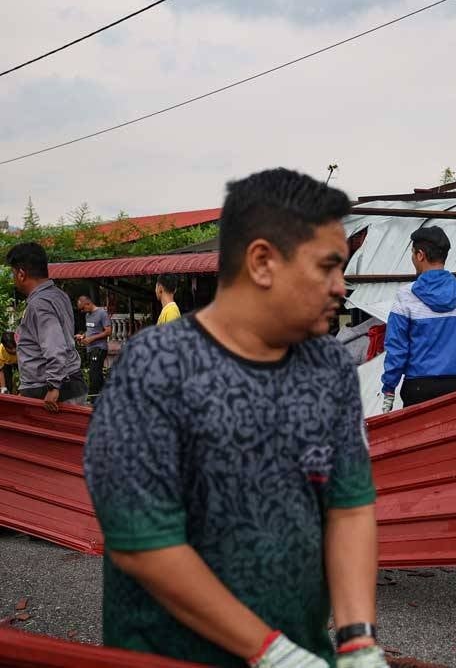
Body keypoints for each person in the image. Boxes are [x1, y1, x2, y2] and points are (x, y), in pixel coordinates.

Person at [83, 169, 387, 668]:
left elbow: (348, 507)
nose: (343, 285)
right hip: (171, 655)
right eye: (329, 267)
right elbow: (144, 544)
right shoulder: (154, 368)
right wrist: (269, 652)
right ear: (263, 261)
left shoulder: (330, 367)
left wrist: (357, 639)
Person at [379, 226, 456, 412]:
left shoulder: (405, 297)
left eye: (412, 254)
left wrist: (389, 389)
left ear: (420, 255)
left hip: (418, 389)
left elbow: (397, 350)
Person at [5, 243, 87, 412]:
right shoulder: (58, 295)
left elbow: (55, 345)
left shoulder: (40, 304)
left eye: (13, 274)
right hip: (69, 382)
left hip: (51, 393)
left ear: (21, 274)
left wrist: (53, 386)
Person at [75, 295, 112, 398]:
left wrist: (92, 339)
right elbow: (91, 330)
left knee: (94, 373)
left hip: (99, 348)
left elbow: (108, 331)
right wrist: (83, 336)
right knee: (97, 373)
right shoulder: (88, 315)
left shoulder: (102, 313)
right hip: (90, 348)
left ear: (88, 303)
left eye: (83, 308)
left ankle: (93, 397)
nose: (82, 311)